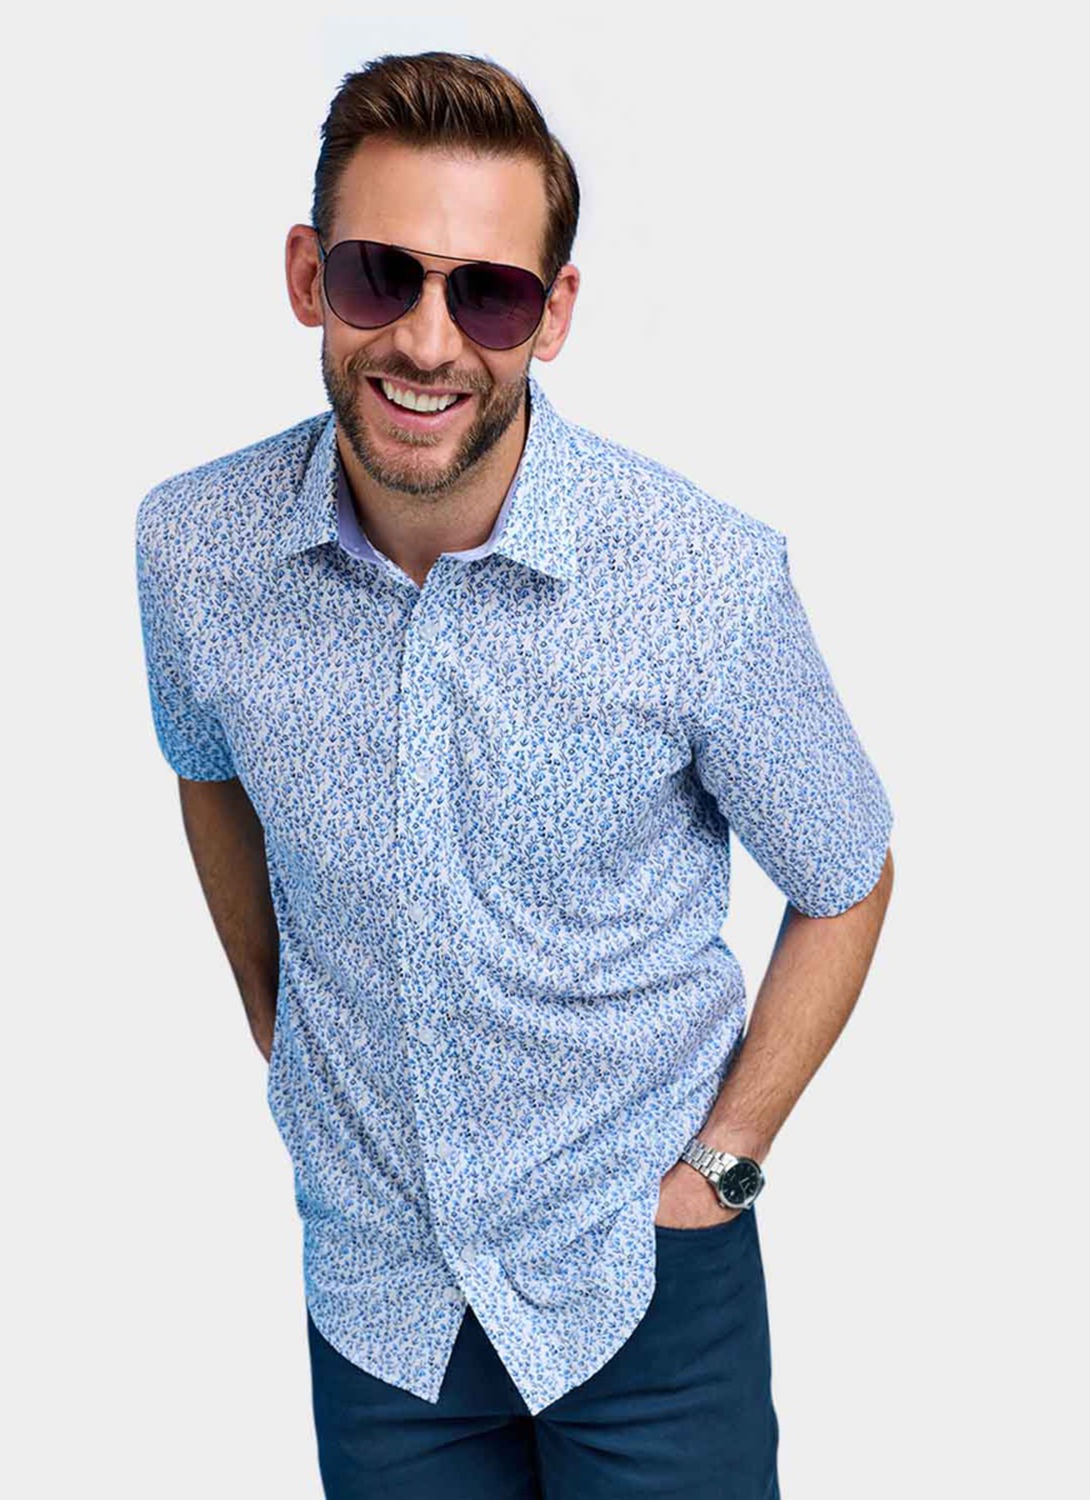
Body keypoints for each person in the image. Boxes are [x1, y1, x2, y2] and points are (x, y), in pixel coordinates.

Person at [134, 49, 895, 1500]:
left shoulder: (699, 576)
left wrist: (723, 1168)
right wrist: (281, 1031)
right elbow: (206, 770)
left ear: (551, 316)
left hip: (642, 1286)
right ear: (306, 277)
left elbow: (846, 873)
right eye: (380, 277)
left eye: (485, 294)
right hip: (380, 1300)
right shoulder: (195, 550)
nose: (427, 342)